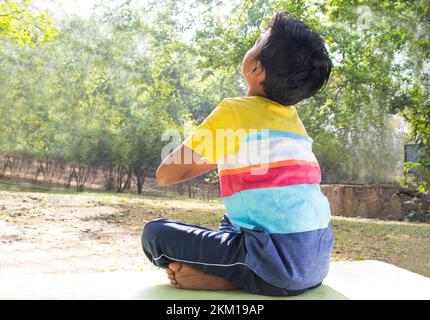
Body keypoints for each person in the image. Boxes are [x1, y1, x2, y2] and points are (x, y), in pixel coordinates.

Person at [141, 11, 334, 296]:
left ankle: (231, 278)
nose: (254, 43)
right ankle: (237, 274)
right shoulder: (293, 120)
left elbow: (167, 175)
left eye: (258, 41)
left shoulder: (234, 111)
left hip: (277, 268)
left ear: (255, 68)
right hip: (316, 262)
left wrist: (220, 151)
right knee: (231, 220)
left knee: (155, 234)